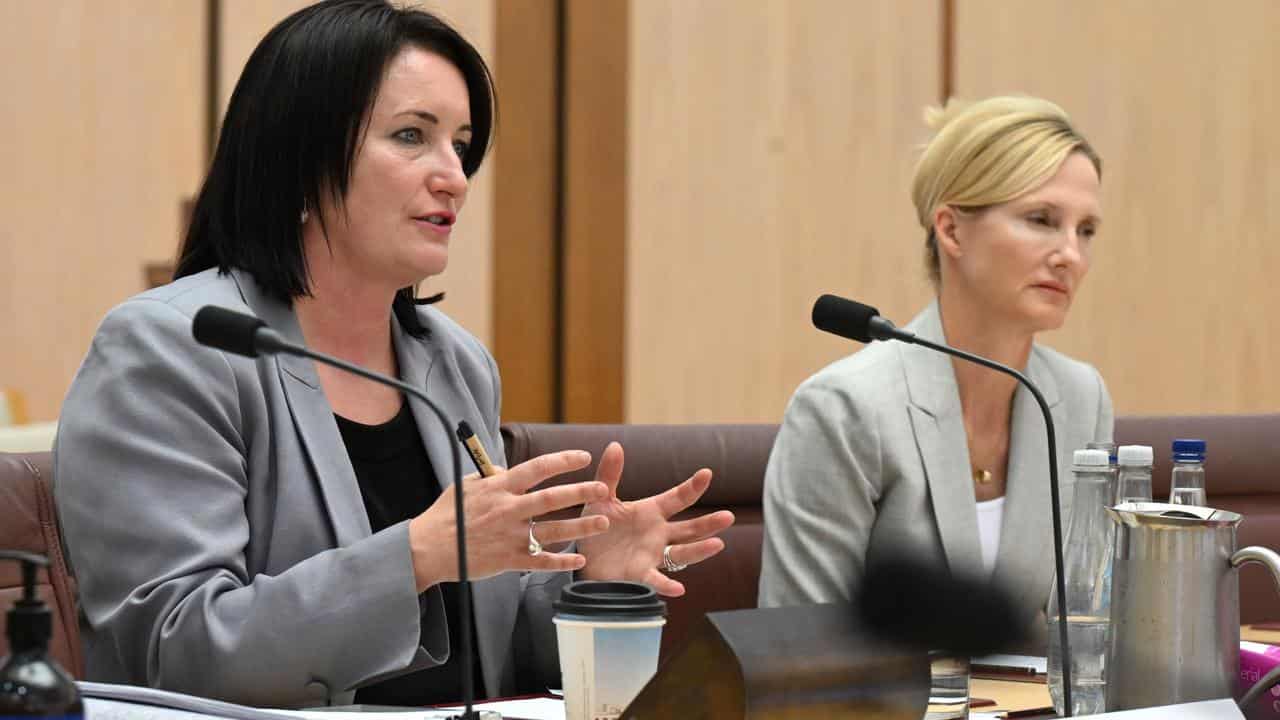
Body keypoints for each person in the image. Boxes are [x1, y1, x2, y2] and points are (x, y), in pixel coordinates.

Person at [52, 0, 734, 708]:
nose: (455, 177)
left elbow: (491, 663)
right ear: (300, 160)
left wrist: (594, 581)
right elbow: (172, 656)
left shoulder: (454, 364)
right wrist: (414, 556)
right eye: (412, 136)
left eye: (461, 146)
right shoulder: (175, 348)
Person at [758, 96, 1114, 646]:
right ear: (950, 230)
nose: (1071, 255)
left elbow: (1085, 629)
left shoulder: (1080, 397)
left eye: (1086, 230)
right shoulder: (845, 408)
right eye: (1041, 221)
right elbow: (800, 651)